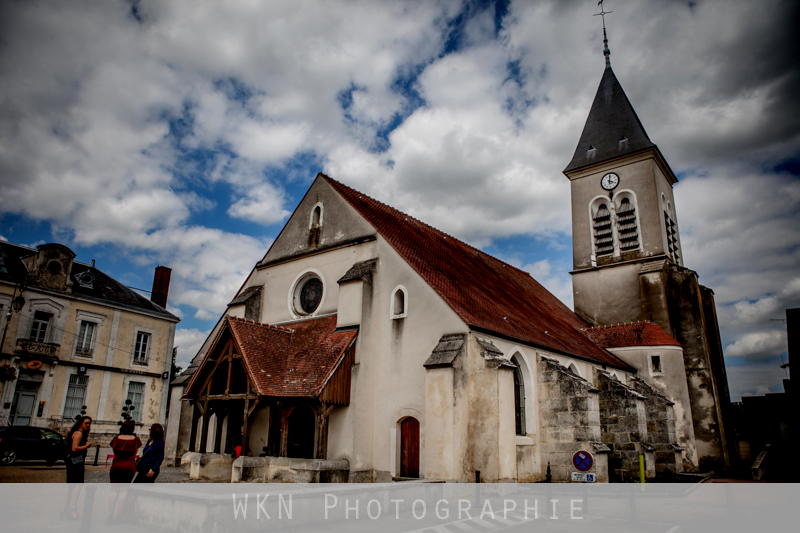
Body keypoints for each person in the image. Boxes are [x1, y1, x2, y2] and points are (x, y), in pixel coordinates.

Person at [107, 421, 141, 523]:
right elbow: (135, 453)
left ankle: (109, 515)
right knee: (124, 491)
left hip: (116, 465)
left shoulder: (116, 439)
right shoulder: (136, 440)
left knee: (114, 490)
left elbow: (114, 452)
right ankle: (119, 515)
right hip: (129, 466)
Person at [62, 416, 92, 520]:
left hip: (73, 461)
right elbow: (74, 448)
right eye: (86, 423)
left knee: (70, 485)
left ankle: (66, 509)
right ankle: (73, 509)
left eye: (89, 423)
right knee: (78, 485)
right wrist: (86, 446)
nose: (88, 425)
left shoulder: (76, 432)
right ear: (81, 423)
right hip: (76, 461)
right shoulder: (79, 433)